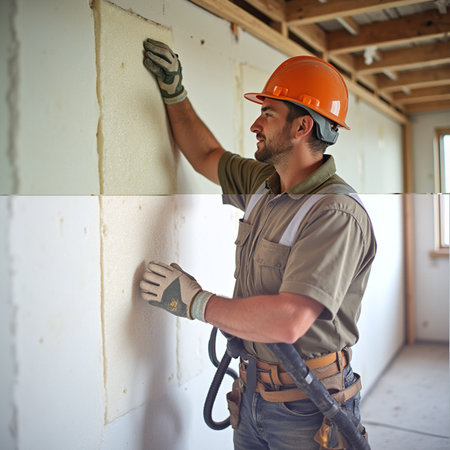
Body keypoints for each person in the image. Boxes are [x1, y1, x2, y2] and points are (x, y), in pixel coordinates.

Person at [140, 38, 376, 450]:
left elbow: (289, 321)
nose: (256, 124)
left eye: (267, 113)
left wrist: (197, 303)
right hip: (252, 394)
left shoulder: (335, 212)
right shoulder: (263, 184)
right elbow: (206, 153)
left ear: (302, 127)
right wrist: (175, 93)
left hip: (309, 408)